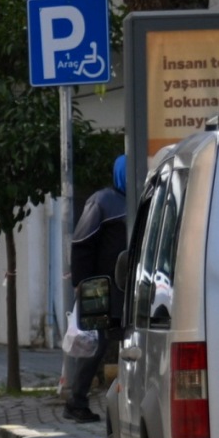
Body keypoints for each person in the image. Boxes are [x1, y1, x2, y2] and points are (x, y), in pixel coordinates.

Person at [60, 153, 129, 422]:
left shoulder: (143, 198)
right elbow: (82, 243)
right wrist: (81, 282)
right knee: (95, 346)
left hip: (131, 290)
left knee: (132, 343)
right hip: (100, 288)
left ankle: (124, 401)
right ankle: (76, 402)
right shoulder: (102, 201)